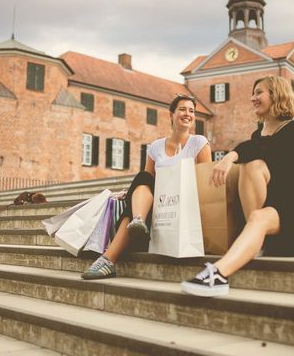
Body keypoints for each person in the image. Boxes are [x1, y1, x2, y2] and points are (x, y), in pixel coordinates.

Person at [181, 75, 294, 297]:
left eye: (259, 92)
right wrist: (236, 156)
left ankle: (217, 274)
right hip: (268, 210)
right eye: (253, 93)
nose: (253, 98)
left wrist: (229, 157)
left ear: (276, 95)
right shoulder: (258, 134)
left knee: (252, 167)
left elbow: (268, 150)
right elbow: (255, 148)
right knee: (251, 168)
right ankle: (254, 241)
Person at [82, 94, 212, 279]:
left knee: (132, 212)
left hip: (183, 210)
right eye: (182, 109)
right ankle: (137, 221)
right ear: (171, 114)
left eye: (191, 111)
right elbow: (146, 179)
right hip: (157, 210)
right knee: (142, 181)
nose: (188, 114)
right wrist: (131, 193)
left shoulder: (199, 143)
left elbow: (205, 184)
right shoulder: (156, 147)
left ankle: (108, 259)